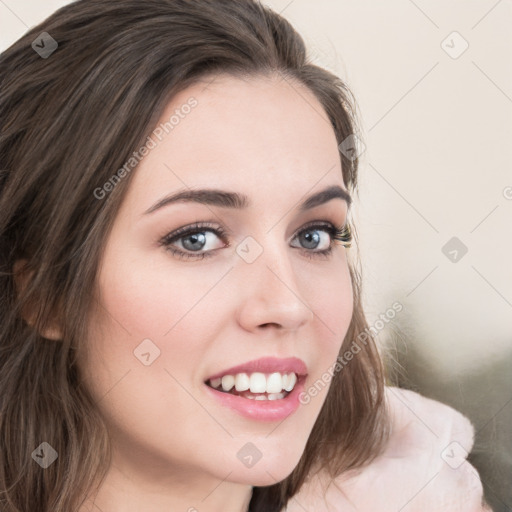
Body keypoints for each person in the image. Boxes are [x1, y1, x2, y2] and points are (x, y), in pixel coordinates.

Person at [0, 1, 491, 511]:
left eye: (314, 235)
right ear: (43, 293)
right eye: (197, 238)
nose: (287, 305)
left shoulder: (421, 494)